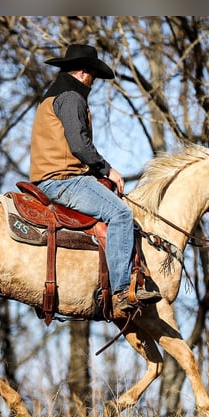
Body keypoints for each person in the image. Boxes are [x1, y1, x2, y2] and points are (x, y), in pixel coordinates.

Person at [29, 43, 161, 313]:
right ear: (82, 72)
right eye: (92, 76)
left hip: (56, 176)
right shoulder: (71, 96)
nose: (92, 83)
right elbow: (79, 145)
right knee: (122, 215)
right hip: (64, 180)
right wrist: (106, 169)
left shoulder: (54, 95)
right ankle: (122, 291)